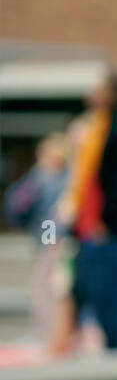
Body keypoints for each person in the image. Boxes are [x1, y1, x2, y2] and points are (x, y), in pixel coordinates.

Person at [62, 69, 117, 350]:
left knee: (113, 314)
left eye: (98, 88)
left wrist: (106, 221)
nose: (91, 94)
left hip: (111, 232)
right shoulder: (104, 126)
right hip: (98, 231)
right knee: (109, 310)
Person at [4, 132, 69, 346]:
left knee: (47, 289)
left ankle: (48, 336)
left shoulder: (60, 180)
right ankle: (45, 334)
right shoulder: (39, 178)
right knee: (43, 288)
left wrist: (50, 244)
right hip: (46, 242)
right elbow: (13, 203)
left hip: (55, 244)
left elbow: (54, 218)